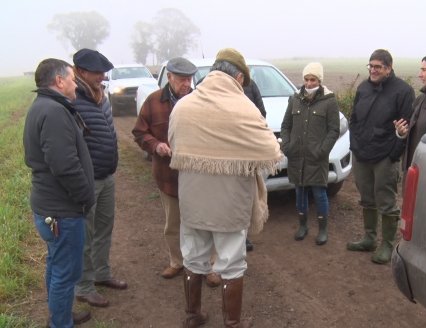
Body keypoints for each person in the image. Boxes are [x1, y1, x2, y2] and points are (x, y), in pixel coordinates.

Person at [169, 48, 281, 328]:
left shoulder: (183, 105)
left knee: (193, 259)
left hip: (192, 199)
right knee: (231, 264)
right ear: (239, 76)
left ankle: (192, 315)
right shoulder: (243, 107)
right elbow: (270, 150)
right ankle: (232, 323)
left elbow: (174, 142)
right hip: (230, 203)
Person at [132, 57, 221, 287]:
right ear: (169, 77)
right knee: (173, 223)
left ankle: (210, 266)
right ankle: (177, 261)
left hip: (198, 176)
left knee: (205, 222)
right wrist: (155, 145)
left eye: (189, 79)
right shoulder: (153, 102)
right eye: (182, 79)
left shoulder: (200, 100)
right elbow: (140, 132)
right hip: (168, 176)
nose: (186, 83)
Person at [23, 58, 94, 327]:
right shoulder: (53, 111)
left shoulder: (44, 106)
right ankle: (61, 323)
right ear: (59, 81)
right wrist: (86, 196)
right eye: (73, 78)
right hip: (61, 211)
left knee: (56, 265)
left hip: (51, 208)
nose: (76, 84)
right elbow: (64, 165)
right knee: (66, 272)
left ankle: (61, 315)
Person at [346, 49, 415, 264]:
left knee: (386, 201)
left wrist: (394, 154)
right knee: (367, 198)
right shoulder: (364, 88)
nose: (373, 70)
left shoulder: (403, 91)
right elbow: (354, 118)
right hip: (362, 153)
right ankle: (369, 238)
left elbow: (406, 127)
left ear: (389, 68)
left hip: (385, 156)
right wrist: (355, 144)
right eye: (371, 66)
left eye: (378, 67)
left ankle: (386, 245)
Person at [72, 49, 127, 308]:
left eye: (104, 72)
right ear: (81, 72)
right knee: (86, 233)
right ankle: (83, 286)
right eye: (97, 72)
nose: (103, 77)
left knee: (105, 228)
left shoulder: (101, 96)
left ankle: (102, 274)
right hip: (87, 180)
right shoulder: (72, 100)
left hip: (107, 176)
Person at [280, 62, 340, 246]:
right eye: (306, 79)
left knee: (319, 193)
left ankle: (322, 229)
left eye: (313, 79)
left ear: (319, 80)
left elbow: (333, 131)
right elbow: (285, 126)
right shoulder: (294, 99)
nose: (309, 83)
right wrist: (287, 147)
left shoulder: (329, 101)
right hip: (296, 156)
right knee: (299, 192)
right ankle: (303, 226)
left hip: (317, 157)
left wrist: (322, 151)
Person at [243, 79, 266, 252]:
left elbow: (261, 112)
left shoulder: (250, 84)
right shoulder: (209, 84)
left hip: (247, 149)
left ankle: (243, 237)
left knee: (247, 195)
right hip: (223, 153)